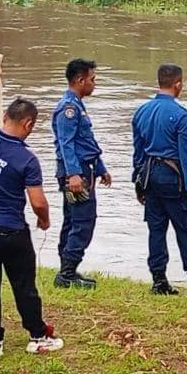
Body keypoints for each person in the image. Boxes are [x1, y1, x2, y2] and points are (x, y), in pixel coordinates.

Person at [0, 64, 64, 358]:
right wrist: (44, 220)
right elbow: (38, 202)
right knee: (23, 285)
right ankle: (37, 336)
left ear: (5, 117)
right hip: (10, 231)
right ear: (29, 124)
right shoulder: (26, 159)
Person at [131, 64, 187, 296]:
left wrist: (137, 182)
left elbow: (138, 152)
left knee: (156, 228)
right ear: (178, 83)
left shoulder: (141, 112)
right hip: (173, 177)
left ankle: (159, 280)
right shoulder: (181, 115)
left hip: (149, 175)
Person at [51, 58, 110, 289]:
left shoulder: (77, 106)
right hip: (76, 174)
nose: (94, 84)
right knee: (83, 221)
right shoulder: (68, 109)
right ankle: (67, 273)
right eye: (92, 79)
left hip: (86, 170)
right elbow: (66, 144)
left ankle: (67, 269)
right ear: (80, 80)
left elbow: (86, 142)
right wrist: (74, 175)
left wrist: (101, 168)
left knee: (73, 219)